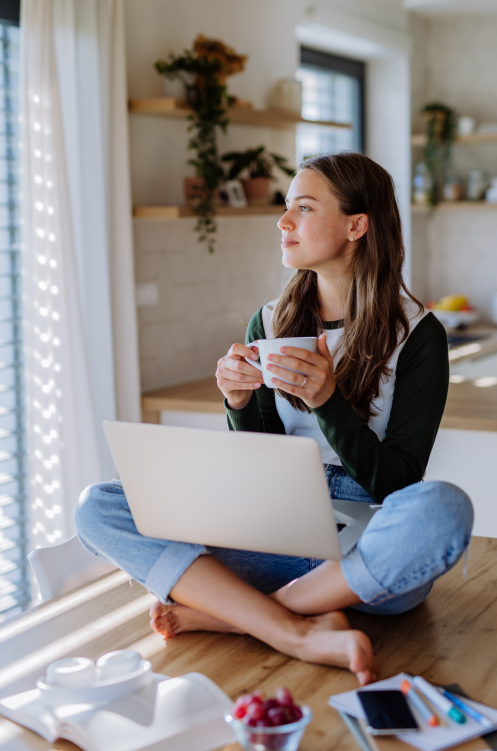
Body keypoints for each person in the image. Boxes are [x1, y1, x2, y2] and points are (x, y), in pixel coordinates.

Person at [75, 152, 473, 684]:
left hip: (361, 541)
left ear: (357, 225)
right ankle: (293, 627)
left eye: (303, 208)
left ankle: (243, 616)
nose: (283, 223)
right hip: (273, 526)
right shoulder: (270, 320)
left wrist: (328, 402)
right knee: (98, 507)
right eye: (287, 207)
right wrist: (237, 403)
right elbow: (257, 457)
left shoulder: (419, 334)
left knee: (443, 511)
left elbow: (398, 481)